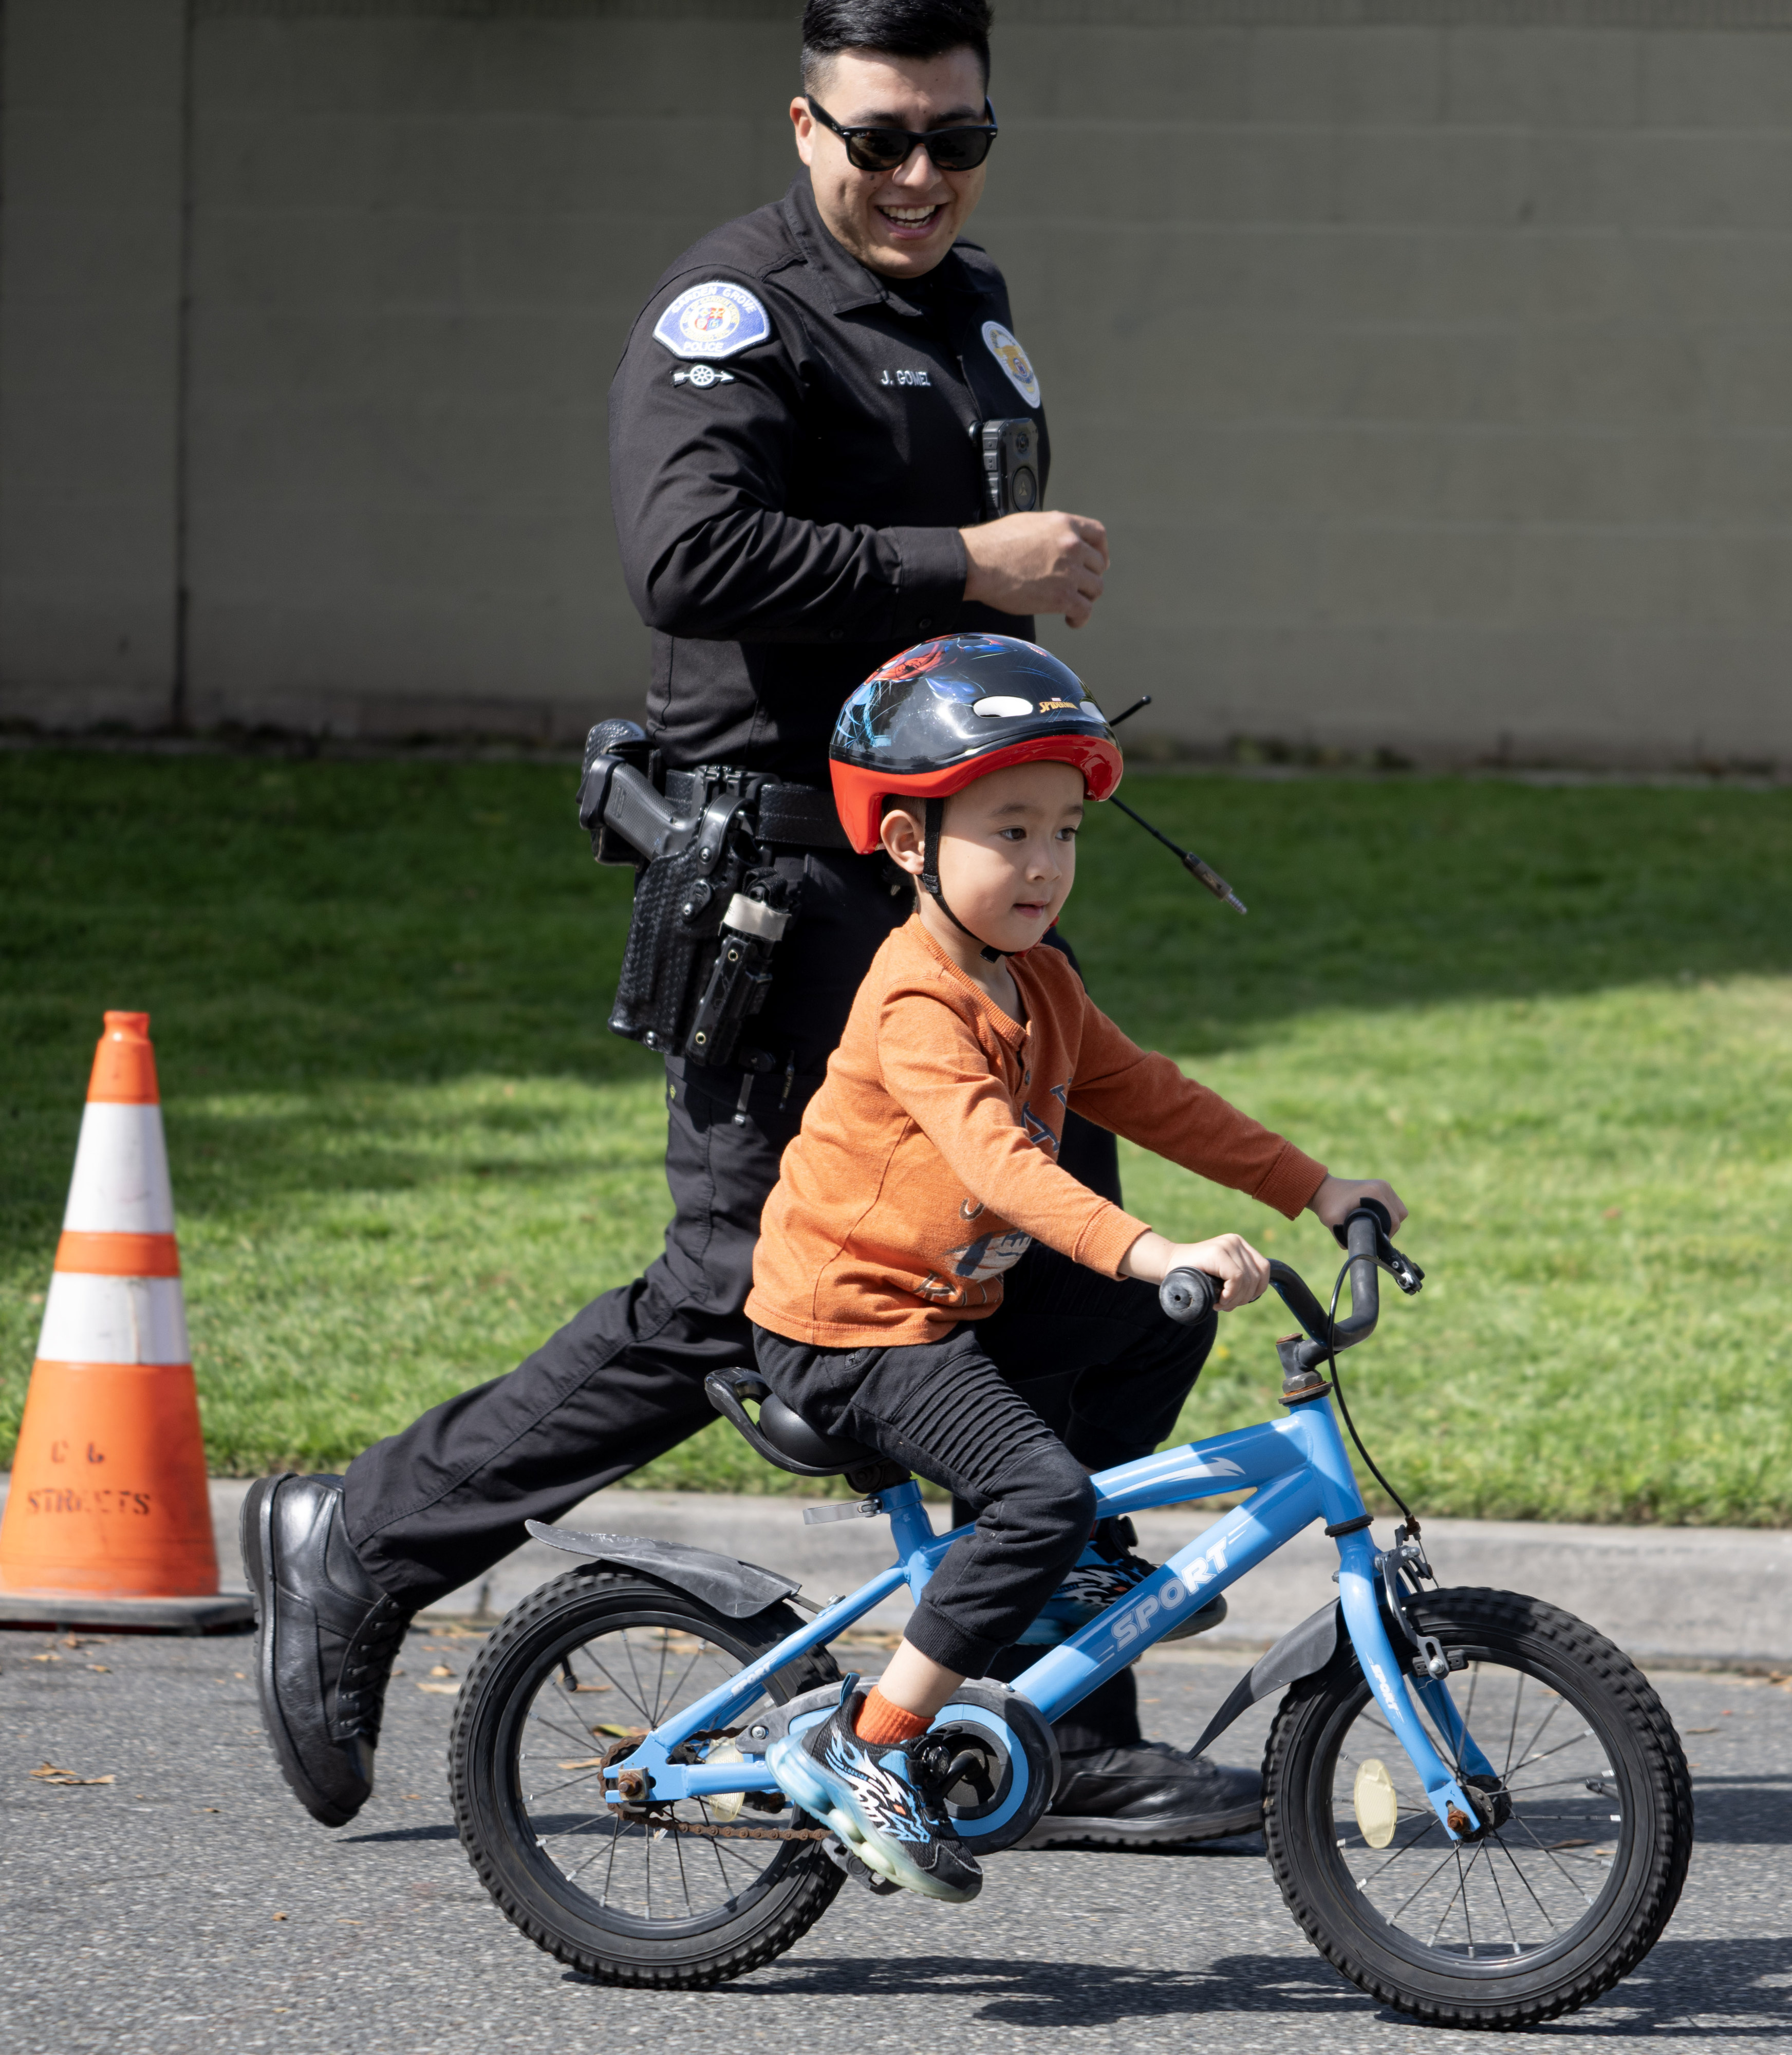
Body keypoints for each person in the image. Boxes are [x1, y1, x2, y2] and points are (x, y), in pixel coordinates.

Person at [241, 0, 1281, 1845]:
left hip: (958, 886)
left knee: (1098, 1290)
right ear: (803, 126)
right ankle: (363, 1539)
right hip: (779, 889)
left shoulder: (968, 310)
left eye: (956, 140)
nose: (918, 177)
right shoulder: (732, 316)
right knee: (736, 1295)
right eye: (881, 138)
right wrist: (974, 566)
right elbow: (687, 555)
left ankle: (1054, 1709)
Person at [753, 633, 1405, 1898]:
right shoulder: (914, 1002)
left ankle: (1080, 1557)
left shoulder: (1037, 978)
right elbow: (997, 1160)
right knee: (1039, 1492)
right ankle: (872, 1742)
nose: (1046, 863)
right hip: (856, 1321)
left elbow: (1154, 1096)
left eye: (1064, 831)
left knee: (1156, 1325)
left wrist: (1314, 1186)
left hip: (951, 1295)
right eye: (1010, 831)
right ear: (906, 845)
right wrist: (1148, 1241)